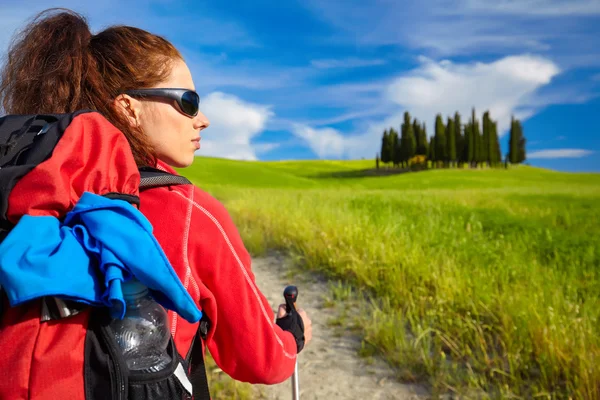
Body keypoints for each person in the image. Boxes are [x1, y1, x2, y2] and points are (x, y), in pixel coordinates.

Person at [0, 7, 312, 388]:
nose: (203, 119)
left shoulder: (27, 194)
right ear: (129, 107)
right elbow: (264, 361)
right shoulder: (189, 213)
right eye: (188, 102)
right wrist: (291, 335)